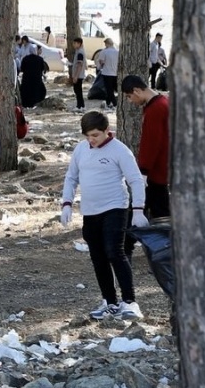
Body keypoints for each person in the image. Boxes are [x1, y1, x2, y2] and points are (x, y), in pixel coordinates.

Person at [60, 111, 147, 321]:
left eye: (96, 135)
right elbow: (71, 177)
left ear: (107, 131)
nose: (92, 140)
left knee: (114, 251)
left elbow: (135, 180)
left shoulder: (119, 150)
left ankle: (129, 301)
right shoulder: (81, 149)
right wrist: (66, 204)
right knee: (98, 257)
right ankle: (109, 301)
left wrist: (138, 209)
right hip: (90, 210)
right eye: (88, 136)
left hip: (115, 207)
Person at [121, 75, 170, 220]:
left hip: (155, 172)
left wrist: (143, 170)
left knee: (157, 213)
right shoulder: (162, 102)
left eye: (129, 96)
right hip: (161, 169)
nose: (130, 101)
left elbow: (151, 142)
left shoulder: (155, 109)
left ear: (136, 91)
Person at [95, 37, 119, 109]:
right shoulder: (117, 52)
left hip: (107, 73)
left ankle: (115, 103)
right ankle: (108, 103)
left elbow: (101, 62)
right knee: (113, 88)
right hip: (115, 73)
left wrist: (99, 68)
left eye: (105, 44)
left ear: (107, 44)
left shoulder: (104, 52)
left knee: (109, 89)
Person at [69, 37, 87, 112]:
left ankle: (80, 106)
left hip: (78, 75)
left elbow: (79, 65)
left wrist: (76, 76)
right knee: (78, 90)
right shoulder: (78, 51)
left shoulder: (80, 52)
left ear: (79, 44)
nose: (73, 44)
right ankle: (81, 105)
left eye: (75, 43)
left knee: (78, 90)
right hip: (79, 74)